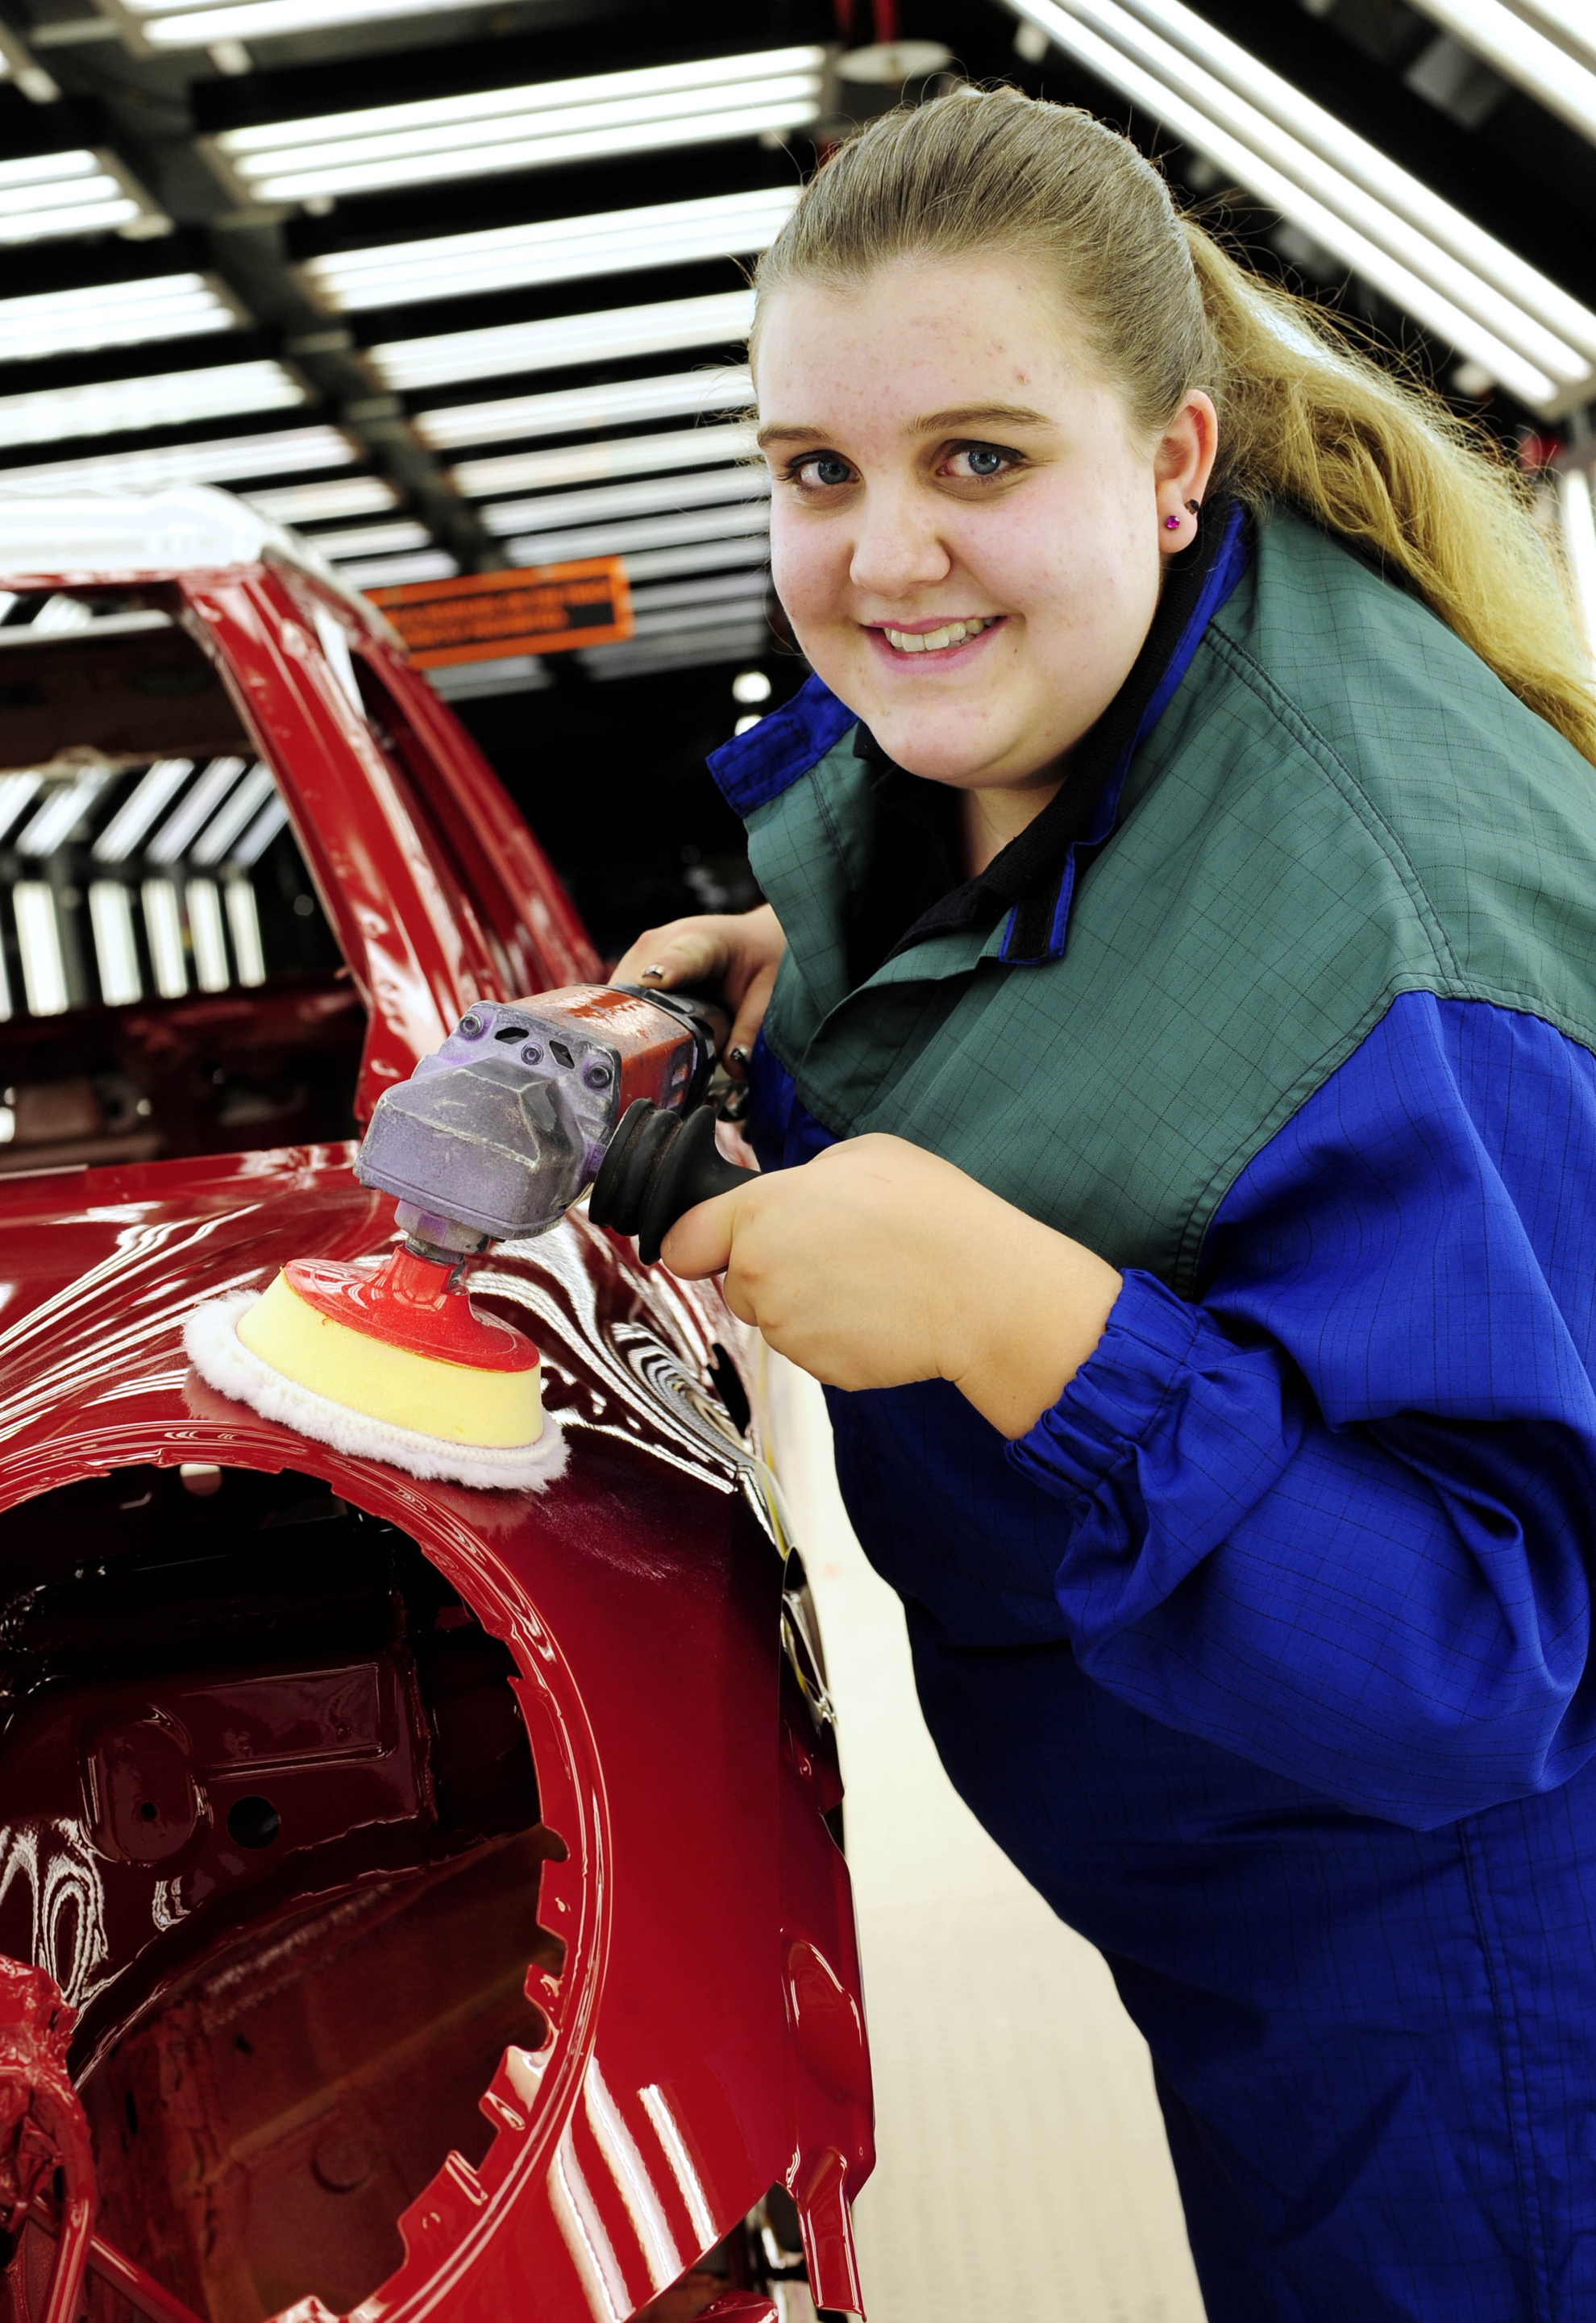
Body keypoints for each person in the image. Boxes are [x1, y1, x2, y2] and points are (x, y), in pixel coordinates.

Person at [613, 85, 1596, 2322]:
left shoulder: (1398, 943)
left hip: (1462, 1998)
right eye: (814, 470)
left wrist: (1021, 1322)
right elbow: (1096, 984)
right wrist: (810, 985)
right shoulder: (1084, 693)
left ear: (1172, 459)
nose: (885, 557)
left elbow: (1491, 1651)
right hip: (1264, 1920)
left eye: (978, 459)